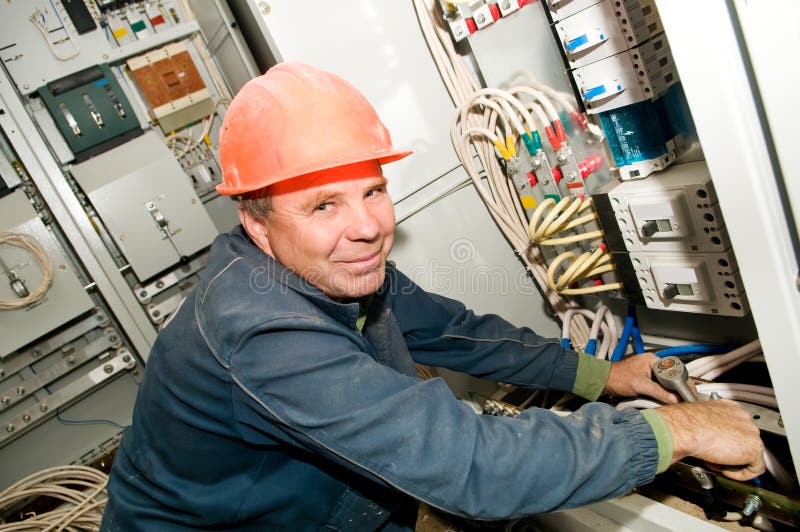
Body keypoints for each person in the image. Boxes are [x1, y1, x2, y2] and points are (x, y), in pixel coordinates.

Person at [100, 62, 764, 531]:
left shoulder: (332, 267)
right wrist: (677, 430)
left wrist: (603, 373)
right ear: (256, 223)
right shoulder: (258, 330)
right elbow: (471, 467)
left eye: (373, 191)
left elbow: (454, 332)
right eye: (324, 204)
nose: (366, 227)